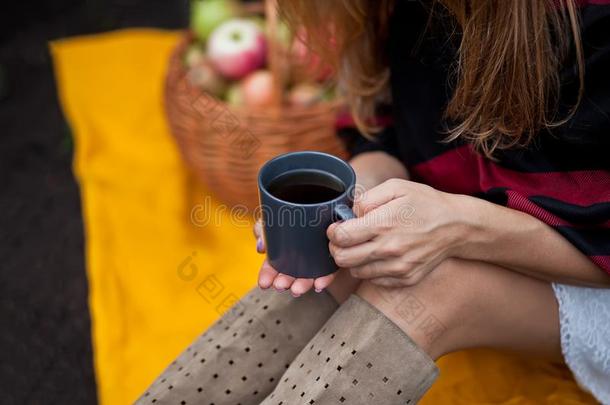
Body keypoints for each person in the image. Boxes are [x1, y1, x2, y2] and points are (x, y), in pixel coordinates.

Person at [136, 1, 610, 404]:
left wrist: (459, 226)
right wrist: (351, 206)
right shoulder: (396, 11)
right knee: (323, 267)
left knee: (427, 288)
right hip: (490, 219)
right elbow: (386, 135)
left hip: (592, 272)